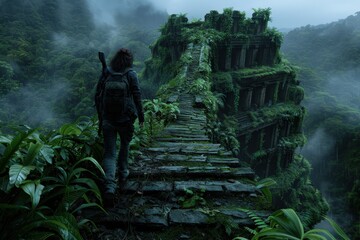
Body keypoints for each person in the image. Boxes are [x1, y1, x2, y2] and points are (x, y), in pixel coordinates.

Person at [95, 48, 144, 206]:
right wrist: (141, 116)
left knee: (109, 153)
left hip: (108, 119)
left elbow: (97, 95)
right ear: (129, 60)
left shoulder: (107, 72)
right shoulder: (131, 74)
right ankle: (123, 174)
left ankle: (109, 187)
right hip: (125, 119)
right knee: (125, 145)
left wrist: (100, 117)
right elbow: (137, 96)